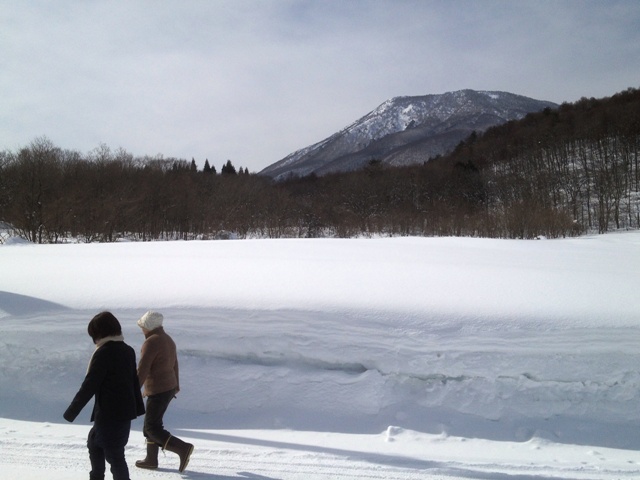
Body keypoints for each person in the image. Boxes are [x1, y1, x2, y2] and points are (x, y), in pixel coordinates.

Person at [64, 311, 145, 480]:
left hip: (109, 414)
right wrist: (137, 407)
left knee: (114, 456)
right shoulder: (127, 350)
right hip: (123, 414)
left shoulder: (104, 353)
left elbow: (90, 385)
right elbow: (133, 381)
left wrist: (72, 411)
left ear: (99, 333)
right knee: (95, 444)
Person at [135, 310, 194, 472]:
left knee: (152, 427)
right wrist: (177, 385)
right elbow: (175, 364)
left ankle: (183, 448)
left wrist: (132, 391)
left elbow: (143, 369)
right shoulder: (167, 339)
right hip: (168, 388)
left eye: (142, 326)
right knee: (150, 425)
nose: (141, 329)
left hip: (158, 390)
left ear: (148, 326)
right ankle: (151, 459)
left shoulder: (151, 342)